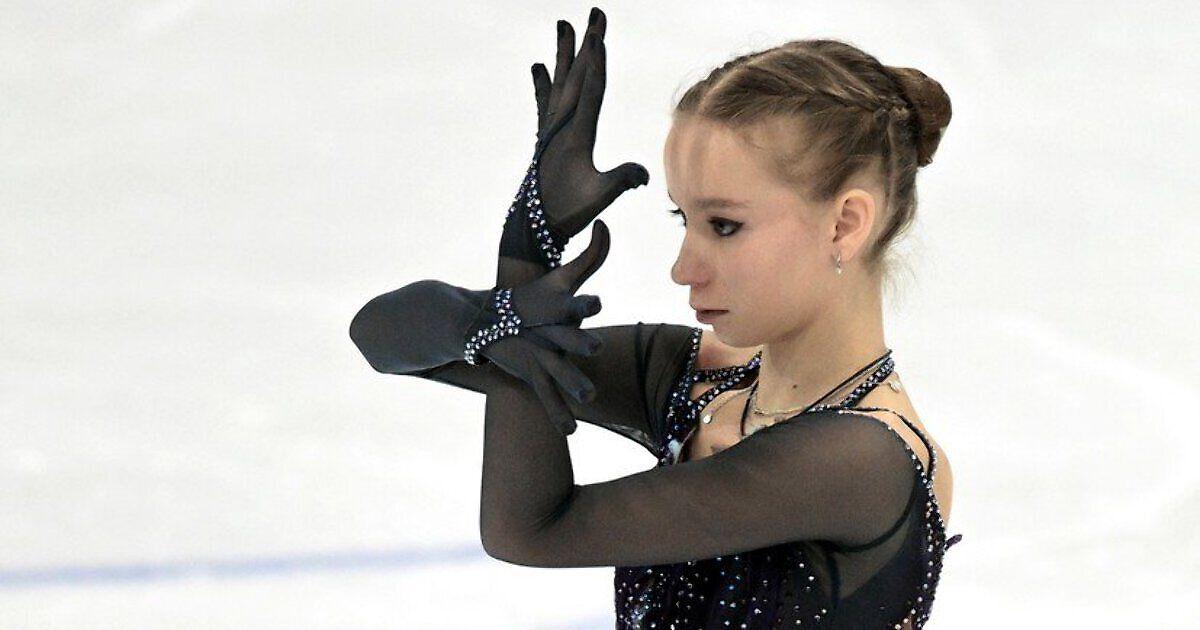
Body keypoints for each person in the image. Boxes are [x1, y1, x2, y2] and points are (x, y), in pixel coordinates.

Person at [348, 7, 962, 628]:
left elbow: (532, 530)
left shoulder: (863, 460)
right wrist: (519, 272)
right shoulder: (701, 381)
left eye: (725, 225)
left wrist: (522, 277)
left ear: (845, 223)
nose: (683, 268)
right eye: (683, 219)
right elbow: (381, 337)